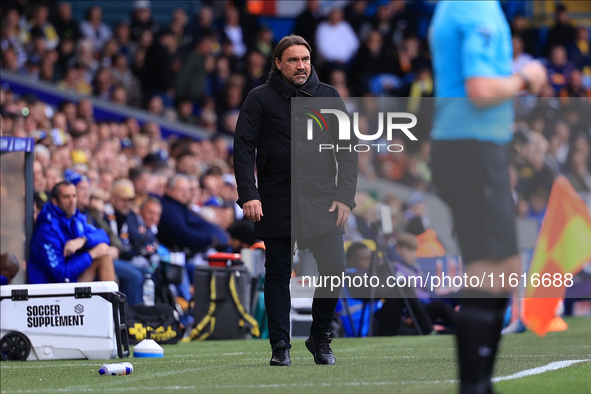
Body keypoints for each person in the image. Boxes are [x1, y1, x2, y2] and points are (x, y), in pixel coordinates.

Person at [429, 2, 547, 393]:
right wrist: (526, 77)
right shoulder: (473, 7)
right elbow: (480, 91)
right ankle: (475, 385)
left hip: (476, 147)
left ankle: (479, 381)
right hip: (470, 149)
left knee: (505, 266)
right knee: (491, 268)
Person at [234, 35, 358, 366]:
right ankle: (280, 345)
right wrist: (249, 193)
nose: (301, 65)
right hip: (275, 199)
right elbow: (244, 148)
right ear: (277, 63)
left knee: (335, 269)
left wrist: (345, 196)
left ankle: (320, 337)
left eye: (305, 58)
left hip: (323, 201)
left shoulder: (329, 96)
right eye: (292, 60)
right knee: (277, 273)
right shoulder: (259, 98)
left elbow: (347, 151)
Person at [28, 181, 116, 284]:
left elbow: (103, 236)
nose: (72, 201)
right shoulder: (46, 230)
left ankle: (111, 299)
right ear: (55, 201)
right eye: (66, 197)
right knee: (103, 257)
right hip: (52, 289)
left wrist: (83, 240)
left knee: (105, 254)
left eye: (74, 196)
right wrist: (92, 254)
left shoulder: (76, 219)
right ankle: (111, 299)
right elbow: (60, 275)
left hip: (72, 280)